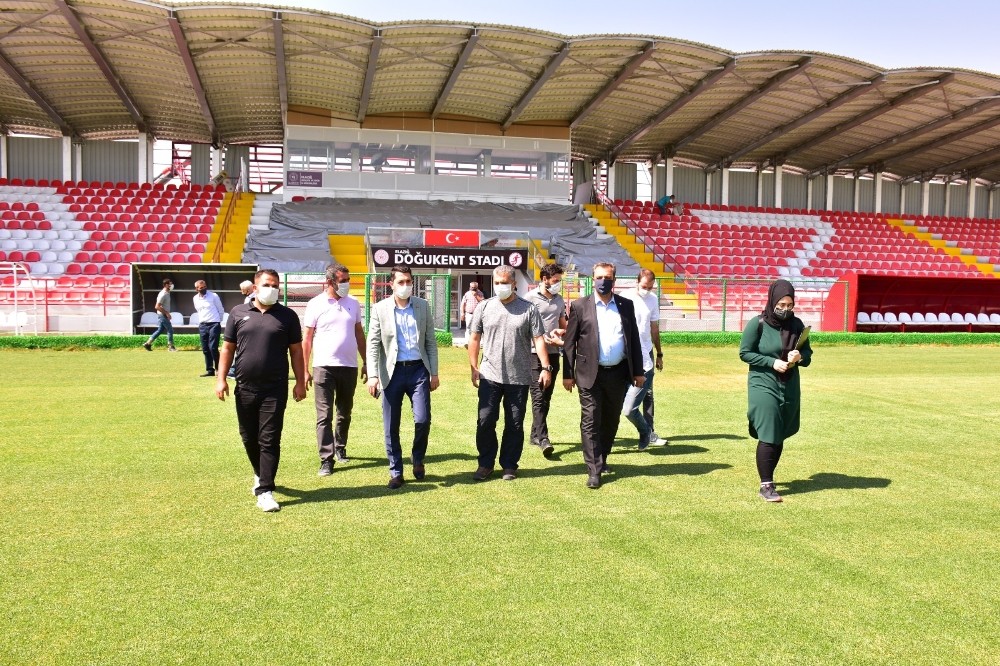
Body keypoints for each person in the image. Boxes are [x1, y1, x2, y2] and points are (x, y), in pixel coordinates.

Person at [215, 269, 307, 513]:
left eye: (276, 285)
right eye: (267, 284)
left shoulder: (287, 316)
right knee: (248, 437)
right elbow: (227, 349)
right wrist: (221, 378)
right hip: (244, 386)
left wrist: (300, 381)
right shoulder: (238, 313)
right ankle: (260, 473)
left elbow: (296, 351)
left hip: (275, 388)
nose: (272, 288)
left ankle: (265, 490)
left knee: (269, 438)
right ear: (255, 288)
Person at [562, 262, 644, 489]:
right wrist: (567, 375)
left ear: (614, 280)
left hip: (618, 373)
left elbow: (633, 340)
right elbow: (569, 343)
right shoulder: (579, 306)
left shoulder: (626, 306)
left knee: (611, 420)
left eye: (607, 277)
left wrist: (638, 371)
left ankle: (603, 457)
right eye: (599, 277)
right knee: (590, 420)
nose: (603, 281)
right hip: (589, 374)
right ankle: (594, 470)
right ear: (592, 278)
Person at [468, 265, 551, 481]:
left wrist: (545, 366)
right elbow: (475, 338)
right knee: (485, 420)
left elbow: (539, 339)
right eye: (497, 282)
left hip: (519, 377)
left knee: (514, 423)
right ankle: (485, 464)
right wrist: (473, 367)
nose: (500, 286)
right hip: (489, 375)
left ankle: (509, 465)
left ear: (514, 284)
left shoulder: (528, 309)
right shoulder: (484, 307)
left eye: (505, 282)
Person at [739, 279, 813, 503]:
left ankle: (769, 478)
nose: (785, 310)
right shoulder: (758, 323)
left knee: (779, 432)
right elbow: (745, 353)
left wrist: (799, 357)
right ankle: (766, 485)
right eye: (781, 305)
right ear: (772, 301)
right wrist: (771, 362)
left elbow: (808, 356)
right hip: (763, 383)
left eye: (789, 305)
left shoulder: (797, 324)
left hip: (789, 384)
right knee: (769, 431)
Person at [366, 266, 440, 489]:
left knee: (422, 419)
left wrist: (434, 372)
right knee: (391, 425)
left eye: (408, 281)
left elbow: (430, 342)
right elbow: (373, 344)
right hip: (391, 372)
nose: (405, 285)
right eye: (401, 282)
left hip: (419, 370)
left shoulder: (422, 306)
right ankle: (396, 471)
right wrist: (372, 376)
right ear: (391, 284)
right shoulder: (379, 309)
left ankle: (417, 458)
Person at [303, 264, 366, 475]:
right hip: (323, 367)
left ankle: (340, 447)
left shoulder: (354, 304)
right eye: (343, 280)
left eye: (348, 280)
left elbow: (359, 334)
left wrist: (366, 361)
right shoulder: (314, 304)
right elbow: (307, 339)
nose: (347, 284)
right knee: (324, 415)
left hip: (349, 366)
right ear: (330, 282)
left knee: (344, 413)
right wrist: (304, 369)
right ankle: (326, 459)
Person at [620, 269, 668, 449]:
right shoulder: (624, 297)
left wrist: (659, 353)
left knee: (648, 394)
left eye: (649, 287)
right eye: (643, 286)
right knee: (623, 396)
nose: (646, 290)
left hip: (646, 351)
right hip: (626, 352)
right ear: (636, 282)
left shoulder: (653, 299)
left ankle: (650, 432)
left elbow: (654, 327)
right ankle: (640, 430)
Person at [524, 263, 567, 457]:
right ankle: (543, 438)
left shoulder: (559, 301)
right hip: (533, 354)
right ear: (544, 279)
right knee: (539, 396)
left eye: (560, 281)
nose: (558, 284)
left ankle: (534, 434)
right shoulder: (529, 299)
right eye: (555, 281)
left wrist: (562, 333)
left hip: (554, 353)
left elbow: (564, 324)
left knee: (546, 397)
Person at [193, 279, 225, 377]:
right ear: (196, 289)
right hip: (202, 324)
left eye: (204, 287)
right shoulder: (195, 298)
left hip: (214, 324)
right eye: (201, 288)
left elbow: (220, 309)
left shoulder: (214, 296)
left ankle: (219, 369)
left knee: (213, 347)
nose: (203, 289)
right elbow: (198, 310)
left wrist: (218, 320)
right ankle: (210, 370)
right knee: (205, 349)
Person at [143, 278, 177, 352]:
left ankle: (147, 344)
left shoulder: (167, 292)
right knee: (170, 330)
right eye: (170, 284)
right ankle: (171, 347)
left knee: (160, 330)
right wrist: (167, 313)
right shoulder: (163, 294)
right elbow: (157, 306)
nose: (172, 285)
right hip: (162, 315)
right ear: (166, 285)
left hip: (163, 314)